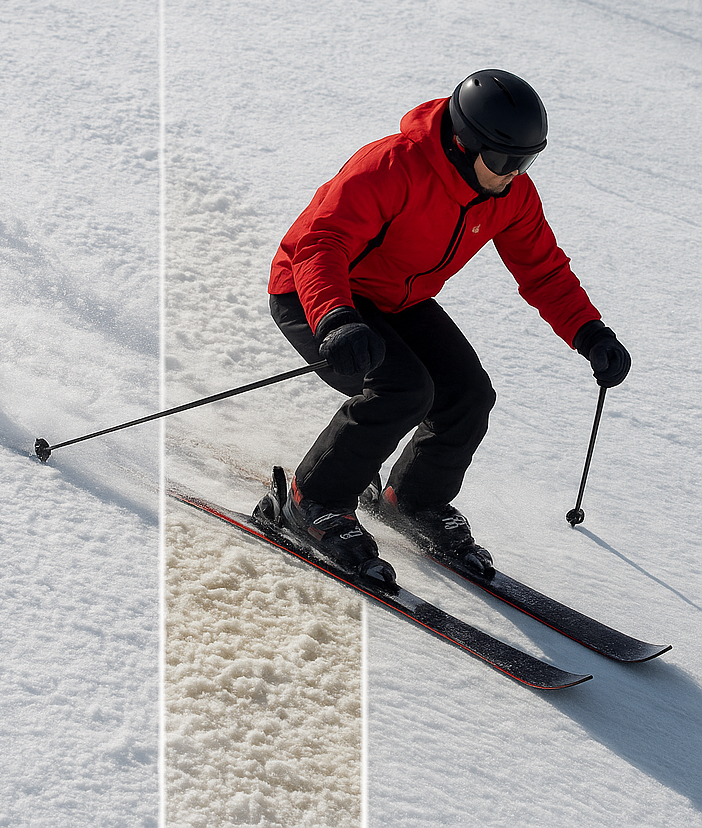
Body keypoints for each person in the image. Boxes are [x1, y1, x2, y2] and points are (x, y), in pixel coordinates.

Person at [267, 70, 631, 585]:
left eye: (526, 161)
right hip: (316, 293)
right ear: (465, 142)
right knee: (401, 389)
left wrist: (590, 332)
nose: (514, 174)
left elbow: (543, 270)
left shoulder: (511, 195)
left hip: (397, 298)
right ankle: (312, 500)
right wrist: (336, 318)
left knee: (468, 394)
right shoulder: (391, 166)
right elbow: (322, 243)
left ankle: (412, 500)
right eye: (505, 160)